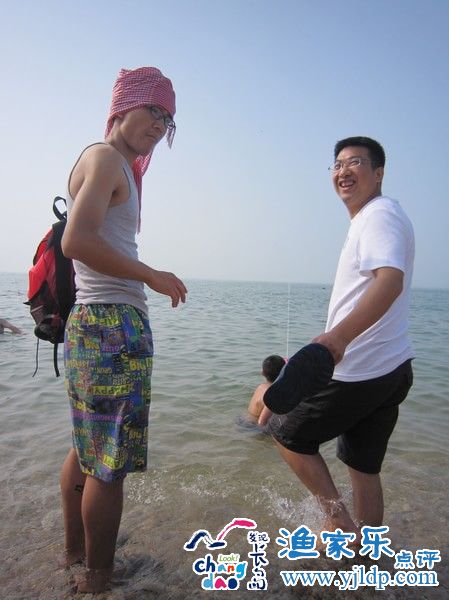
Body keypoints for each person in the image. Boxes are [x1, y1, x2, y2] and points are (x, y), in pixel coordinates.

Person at [59, 67, 187, 593]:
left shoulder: (106, 162)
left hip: (94, 322)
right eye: (153, 110)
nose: (159, 124)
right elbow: (75, 240)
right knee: (108, 464)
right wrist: (150, 274)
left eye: (168, 119)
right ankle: (99, 578)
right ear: (123, 105)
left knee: (87, 448)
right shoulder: (107, 158)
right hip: (111, 324)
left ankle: (75, 555)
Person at [268, 136, 414, 544]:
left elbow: (390, 281)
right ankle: (367, 553)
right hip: (391, 367)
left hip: (360, 368)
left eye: (355, 163)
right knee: (363, 466)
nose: (343, 171)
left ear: (378, 173)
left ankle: (339, 524)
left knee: (285, 431)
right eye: (337, 165)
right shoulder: (377, 217)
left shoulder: (378, 215)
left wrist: (338, 339)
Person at [247, 355, 285, 426]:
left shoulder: (260, 386)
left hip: (244, 420)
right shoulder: (273, 393)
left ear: (262, 373)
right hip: (253, 427)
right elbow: (261, 422)